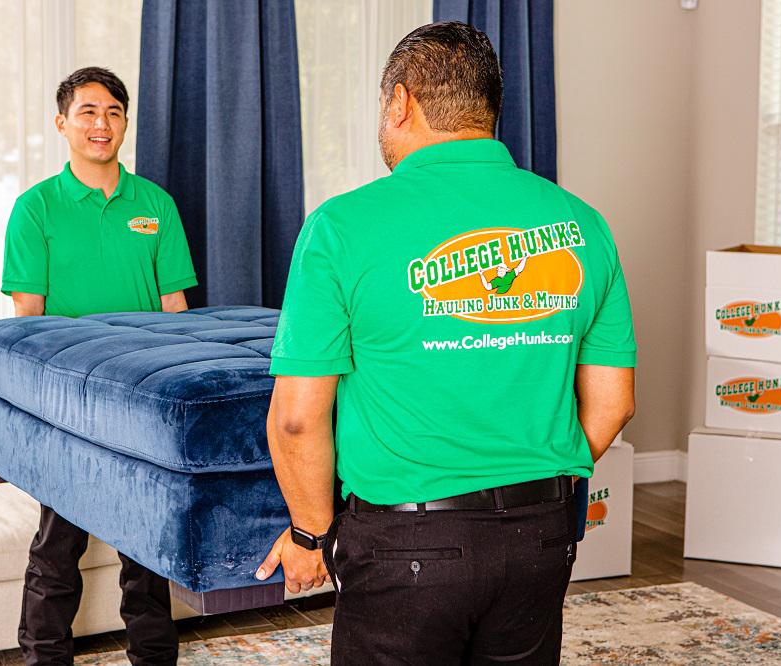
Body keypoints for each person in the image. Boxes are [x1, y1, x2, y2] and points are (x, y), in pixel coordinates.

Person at [256, 22, 636, 665]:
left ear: (400, 102)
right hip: (542, 537)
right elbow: (614, 404)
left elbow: (296, 419)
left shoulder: (340, 227)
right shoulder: (584, 224)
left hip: (406, 543)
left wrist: (310, 534)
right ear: (488, 108)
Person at [2, 66, 197, 666]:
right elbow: (27, 323)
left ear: (125, 124)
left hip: (142, 400)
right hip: (70, 405)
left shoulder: (156, 204)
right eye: (87, 111)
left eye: (113, 112)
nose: (101, 123)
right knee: (58, 547)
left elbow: (177, 311)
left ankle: (155, 658)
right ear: (62, 123)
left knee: (147, 549)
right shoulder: (35, 209)